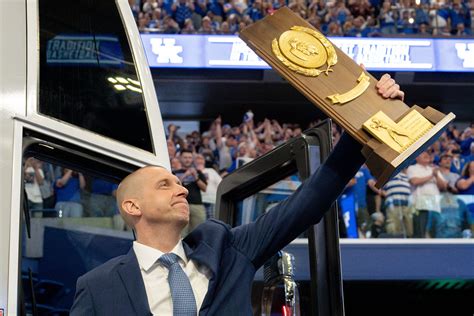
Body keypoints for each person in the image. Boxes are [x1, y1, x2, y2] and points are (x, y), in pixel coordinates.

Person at [70, 75, 404, 315]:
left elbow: (310, 201)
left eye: (178, 182)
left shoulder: (229, 249)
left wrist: (368, 118)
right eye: (165, 185)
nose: (182, 189)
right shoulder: (98, 286)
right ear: (132, 206)